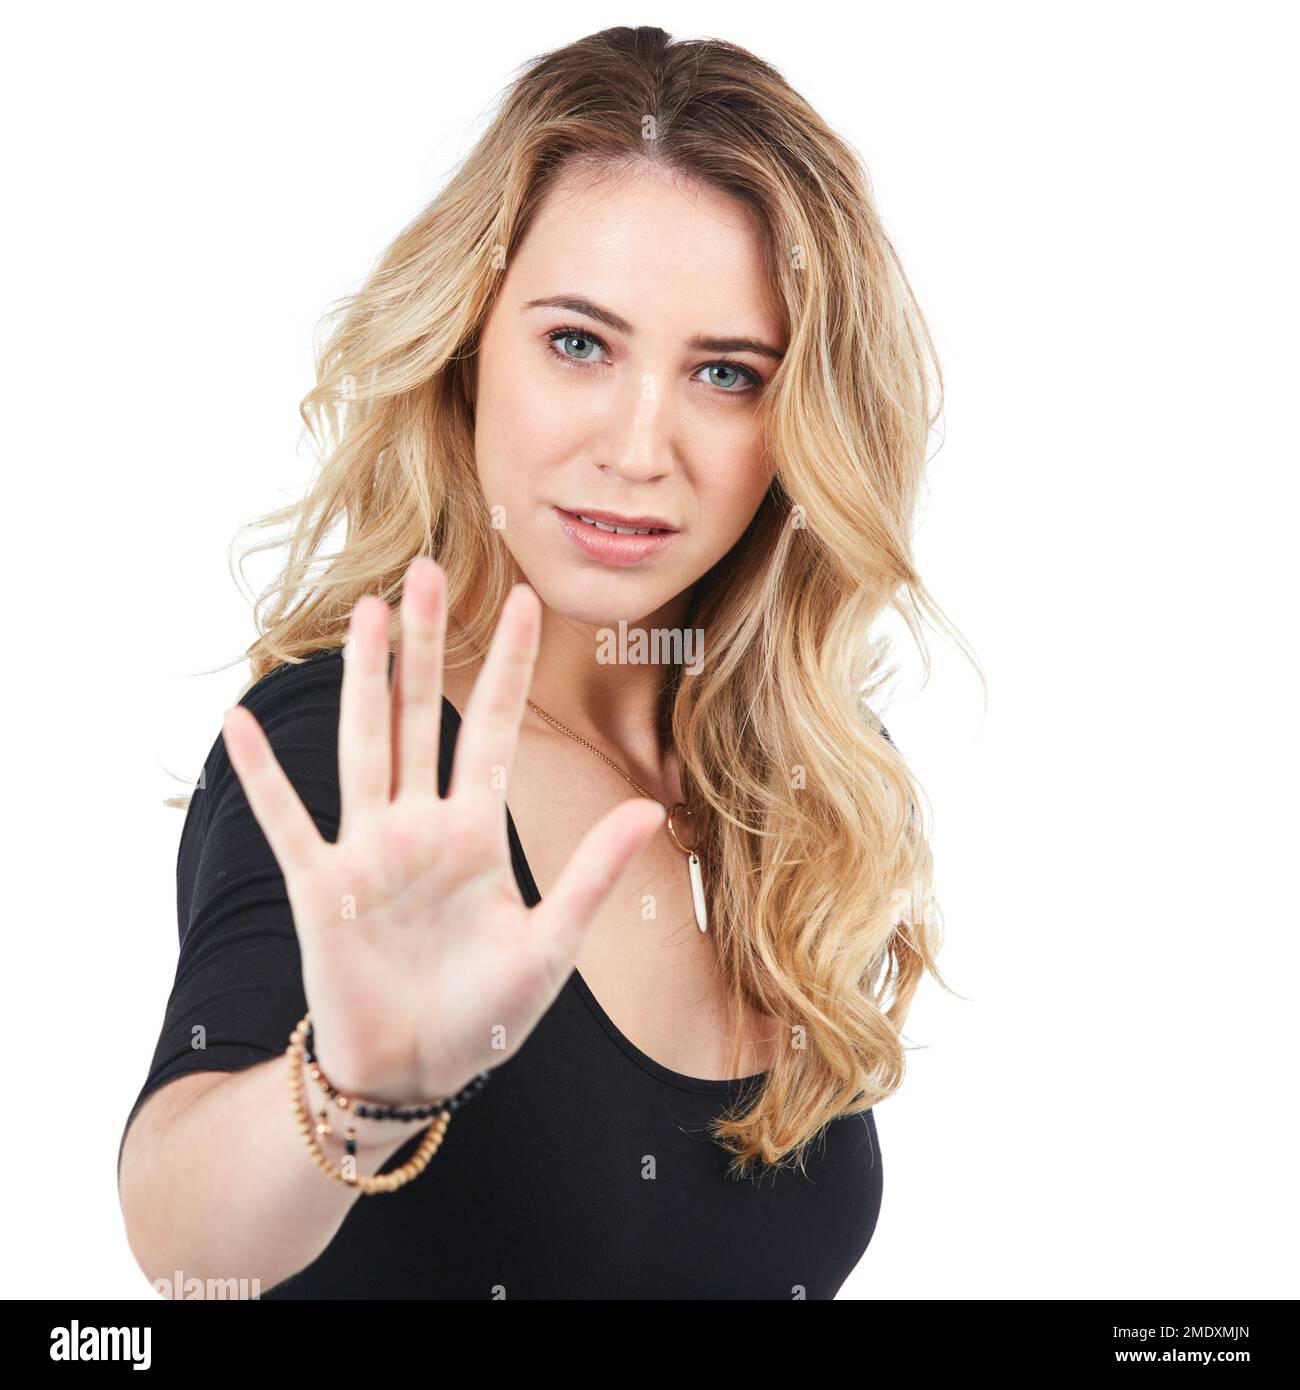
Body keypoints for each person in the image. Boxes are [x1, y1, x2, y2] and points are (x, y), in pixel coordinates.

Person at [118, 24, 962, 1300]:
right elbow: (184, 1242)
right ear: (466, 348)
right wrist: (354, 1090)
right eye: (579, 342)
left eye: (726, 374)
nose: (638, 445)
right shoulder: (361, 740)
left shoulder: (803, 779)